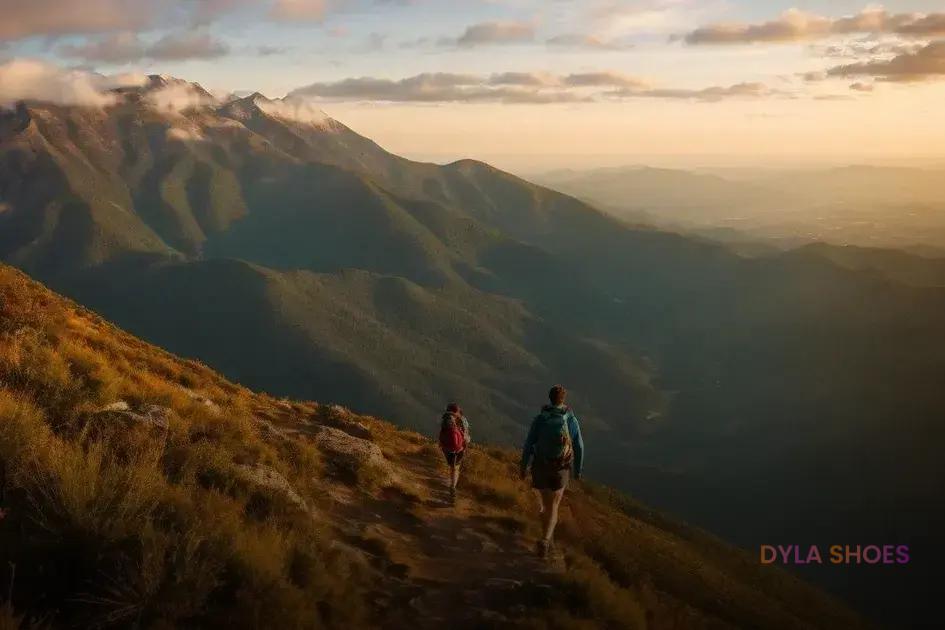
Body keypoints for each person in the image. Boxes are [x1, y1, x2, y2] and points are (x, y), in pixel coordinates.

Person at [520, 384, 584, 558]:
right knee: (553, 506)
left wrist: (523, 467)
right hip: (560, 468)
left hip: (540, 466)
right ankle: (546, 540)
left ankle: (546, 537)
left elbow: (528, 445)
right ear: (563, 399)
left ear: (550, 398)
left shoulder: (541, 419)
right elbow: (579, 445)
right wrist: (577, 470)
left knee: (546, 505)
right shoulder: (570, 419)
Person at [438, 402, 471, 503]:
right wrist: (466, 443)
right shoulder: (462, 419)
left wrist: (442, 445)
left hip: (447, 448)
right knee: (456, 468)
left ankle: (452, 485)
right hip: (460, 448)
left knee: (452, 465)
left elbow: (442, 434)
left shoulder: (445, 419)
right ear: (458, 411)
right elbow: (466, 437)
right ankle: (453, 486)